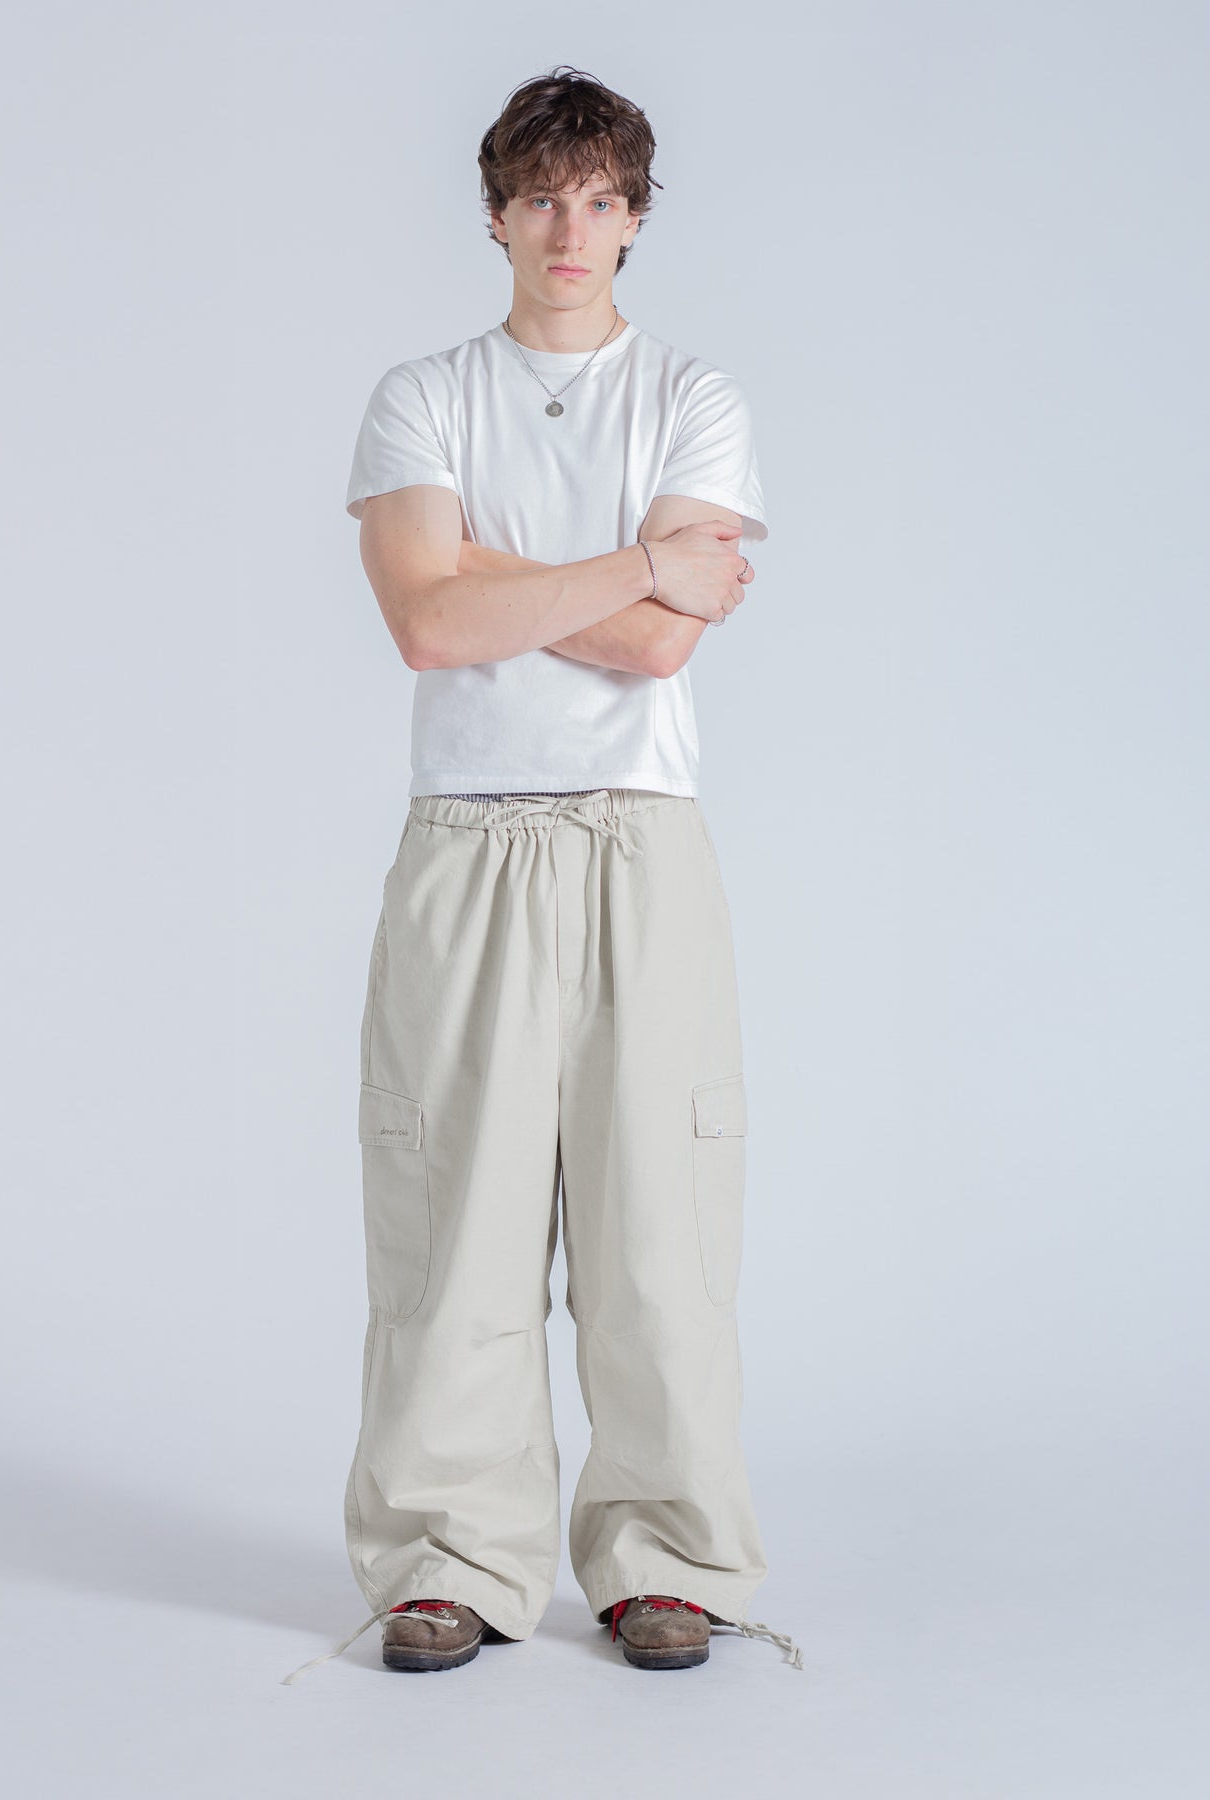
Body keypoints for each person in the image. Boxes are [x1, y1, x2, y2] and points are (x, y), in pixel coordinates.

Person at [282, 64, 802, 1681]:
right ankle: (448, 1558)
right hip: (470, 837)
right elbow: (427, 625)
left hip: (640, 836)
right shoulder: (423, 396)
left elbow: (657, 651)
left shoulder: (693, 397)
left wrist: (499, 573)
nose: (567, 229)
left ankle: (666, 1557)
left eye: (597, 200)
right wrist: (637, 561)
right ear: (496, 215)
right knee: (456, 1217)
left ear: (633, 220)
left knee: (659, 1226)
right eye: (538, 198)